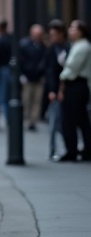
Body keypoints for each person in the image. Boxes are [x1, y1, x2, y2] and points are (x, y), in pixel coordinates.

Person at [57, 19, 91, 162]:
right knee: (80, 119)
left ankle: (73, 150)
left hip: (76, 85)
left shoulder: (82, 46)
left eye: (73, 28)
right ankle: (81, 149)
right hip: (75, 84)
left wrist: (62, 80)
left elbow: (71, 68)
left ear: (81, 31)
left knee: (72, 120)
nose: (70, 31)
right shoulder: (74, 45)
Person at [46, 19, 70, 160]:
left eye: (55, 34)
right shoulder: (52, 49)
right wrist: (51, 90)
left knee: (63, 121)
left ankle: (68, 147)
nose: (53, 37)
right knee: (54, 122)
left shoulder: (68, 47)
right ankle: (53, 150)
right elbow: (49, 71)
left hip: (69, 89)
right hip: (55, 90)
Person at [19, 23, 47, 131]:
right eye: (36, 33)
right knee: (27, 99)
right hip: (27, 76)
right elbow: (21, 60)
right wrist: (22, 75)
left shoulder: (43, 46)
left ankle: (33, 121)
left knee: (37, 100)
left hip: (39, 78)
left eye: (40, 34)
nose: (38, 36)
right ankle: (28, 119)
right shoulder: (25, 45)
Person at [0, 19, 13, 119]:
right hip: (8, 68)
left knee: (3, 96)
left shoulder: (1, 40)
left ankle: (9, 118)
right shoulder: (9, 38)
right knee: (7, 95)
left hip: (3, 69)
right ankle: (9, 117)